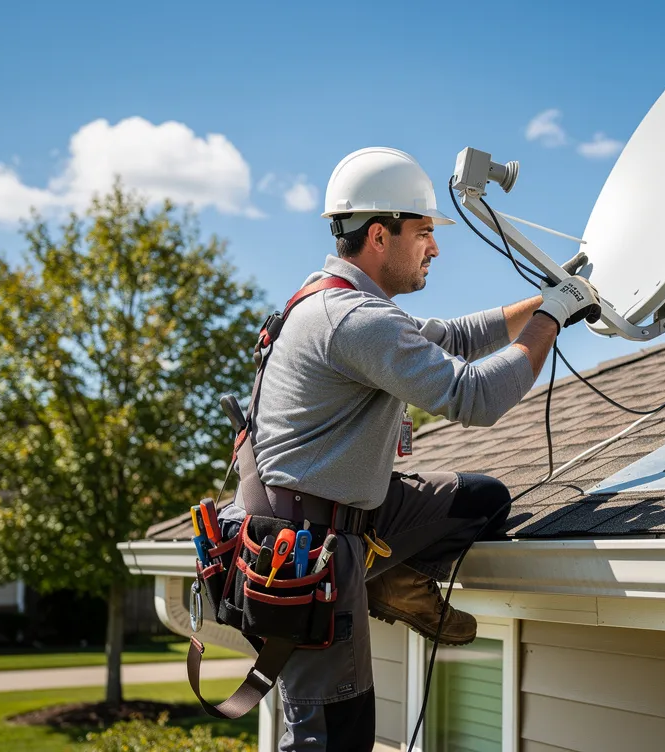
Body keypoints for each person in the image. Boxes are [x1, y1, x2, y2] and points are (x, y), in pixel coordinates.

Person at [217, 146, 600, 751]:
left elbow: (453, 336)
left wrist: (552, 295)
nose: (436, 248)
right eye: (424, 232)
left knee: (481, 500)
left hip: (347, 512)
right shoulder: (352, 320)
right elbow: (473, 397)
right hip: (305, 552)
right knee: (336, 738)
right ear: (379, 235)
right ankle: (365, 575)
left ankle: (381, 577)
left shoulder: (343, 305)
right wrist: (550, 321)